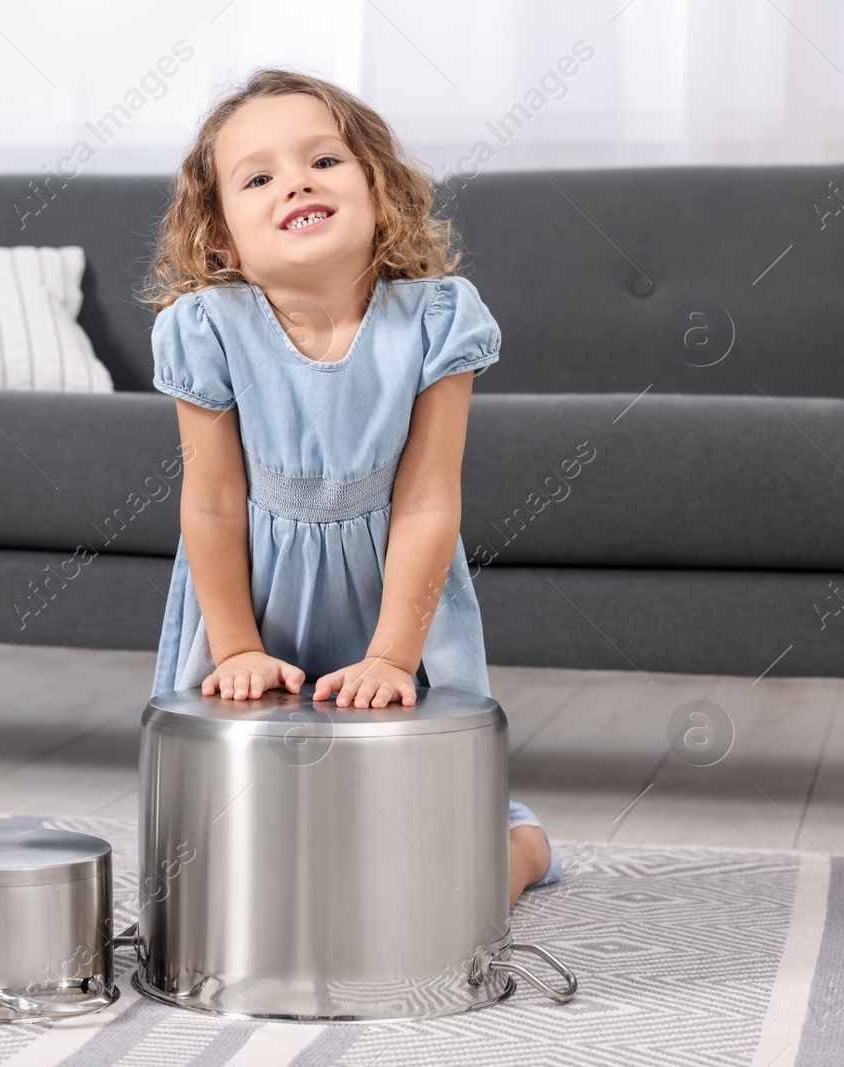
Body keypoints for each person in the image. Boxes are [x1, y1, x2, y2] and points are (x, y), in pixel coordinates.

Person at [143, 69, 562, 905]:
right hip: (258, 600)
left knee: (440, 864)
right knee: (234, 851)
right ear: (222, 240)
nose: (295, 180)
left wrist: (391, 653)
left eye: (323, 160)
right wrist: (234, 647)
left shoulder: (439, 318)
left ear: (379, 190)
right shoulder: (205, 329)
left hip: (394, 591)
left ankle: (518, 849)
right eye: (257, 177)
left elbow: (431, 498)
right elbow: (216, 503)